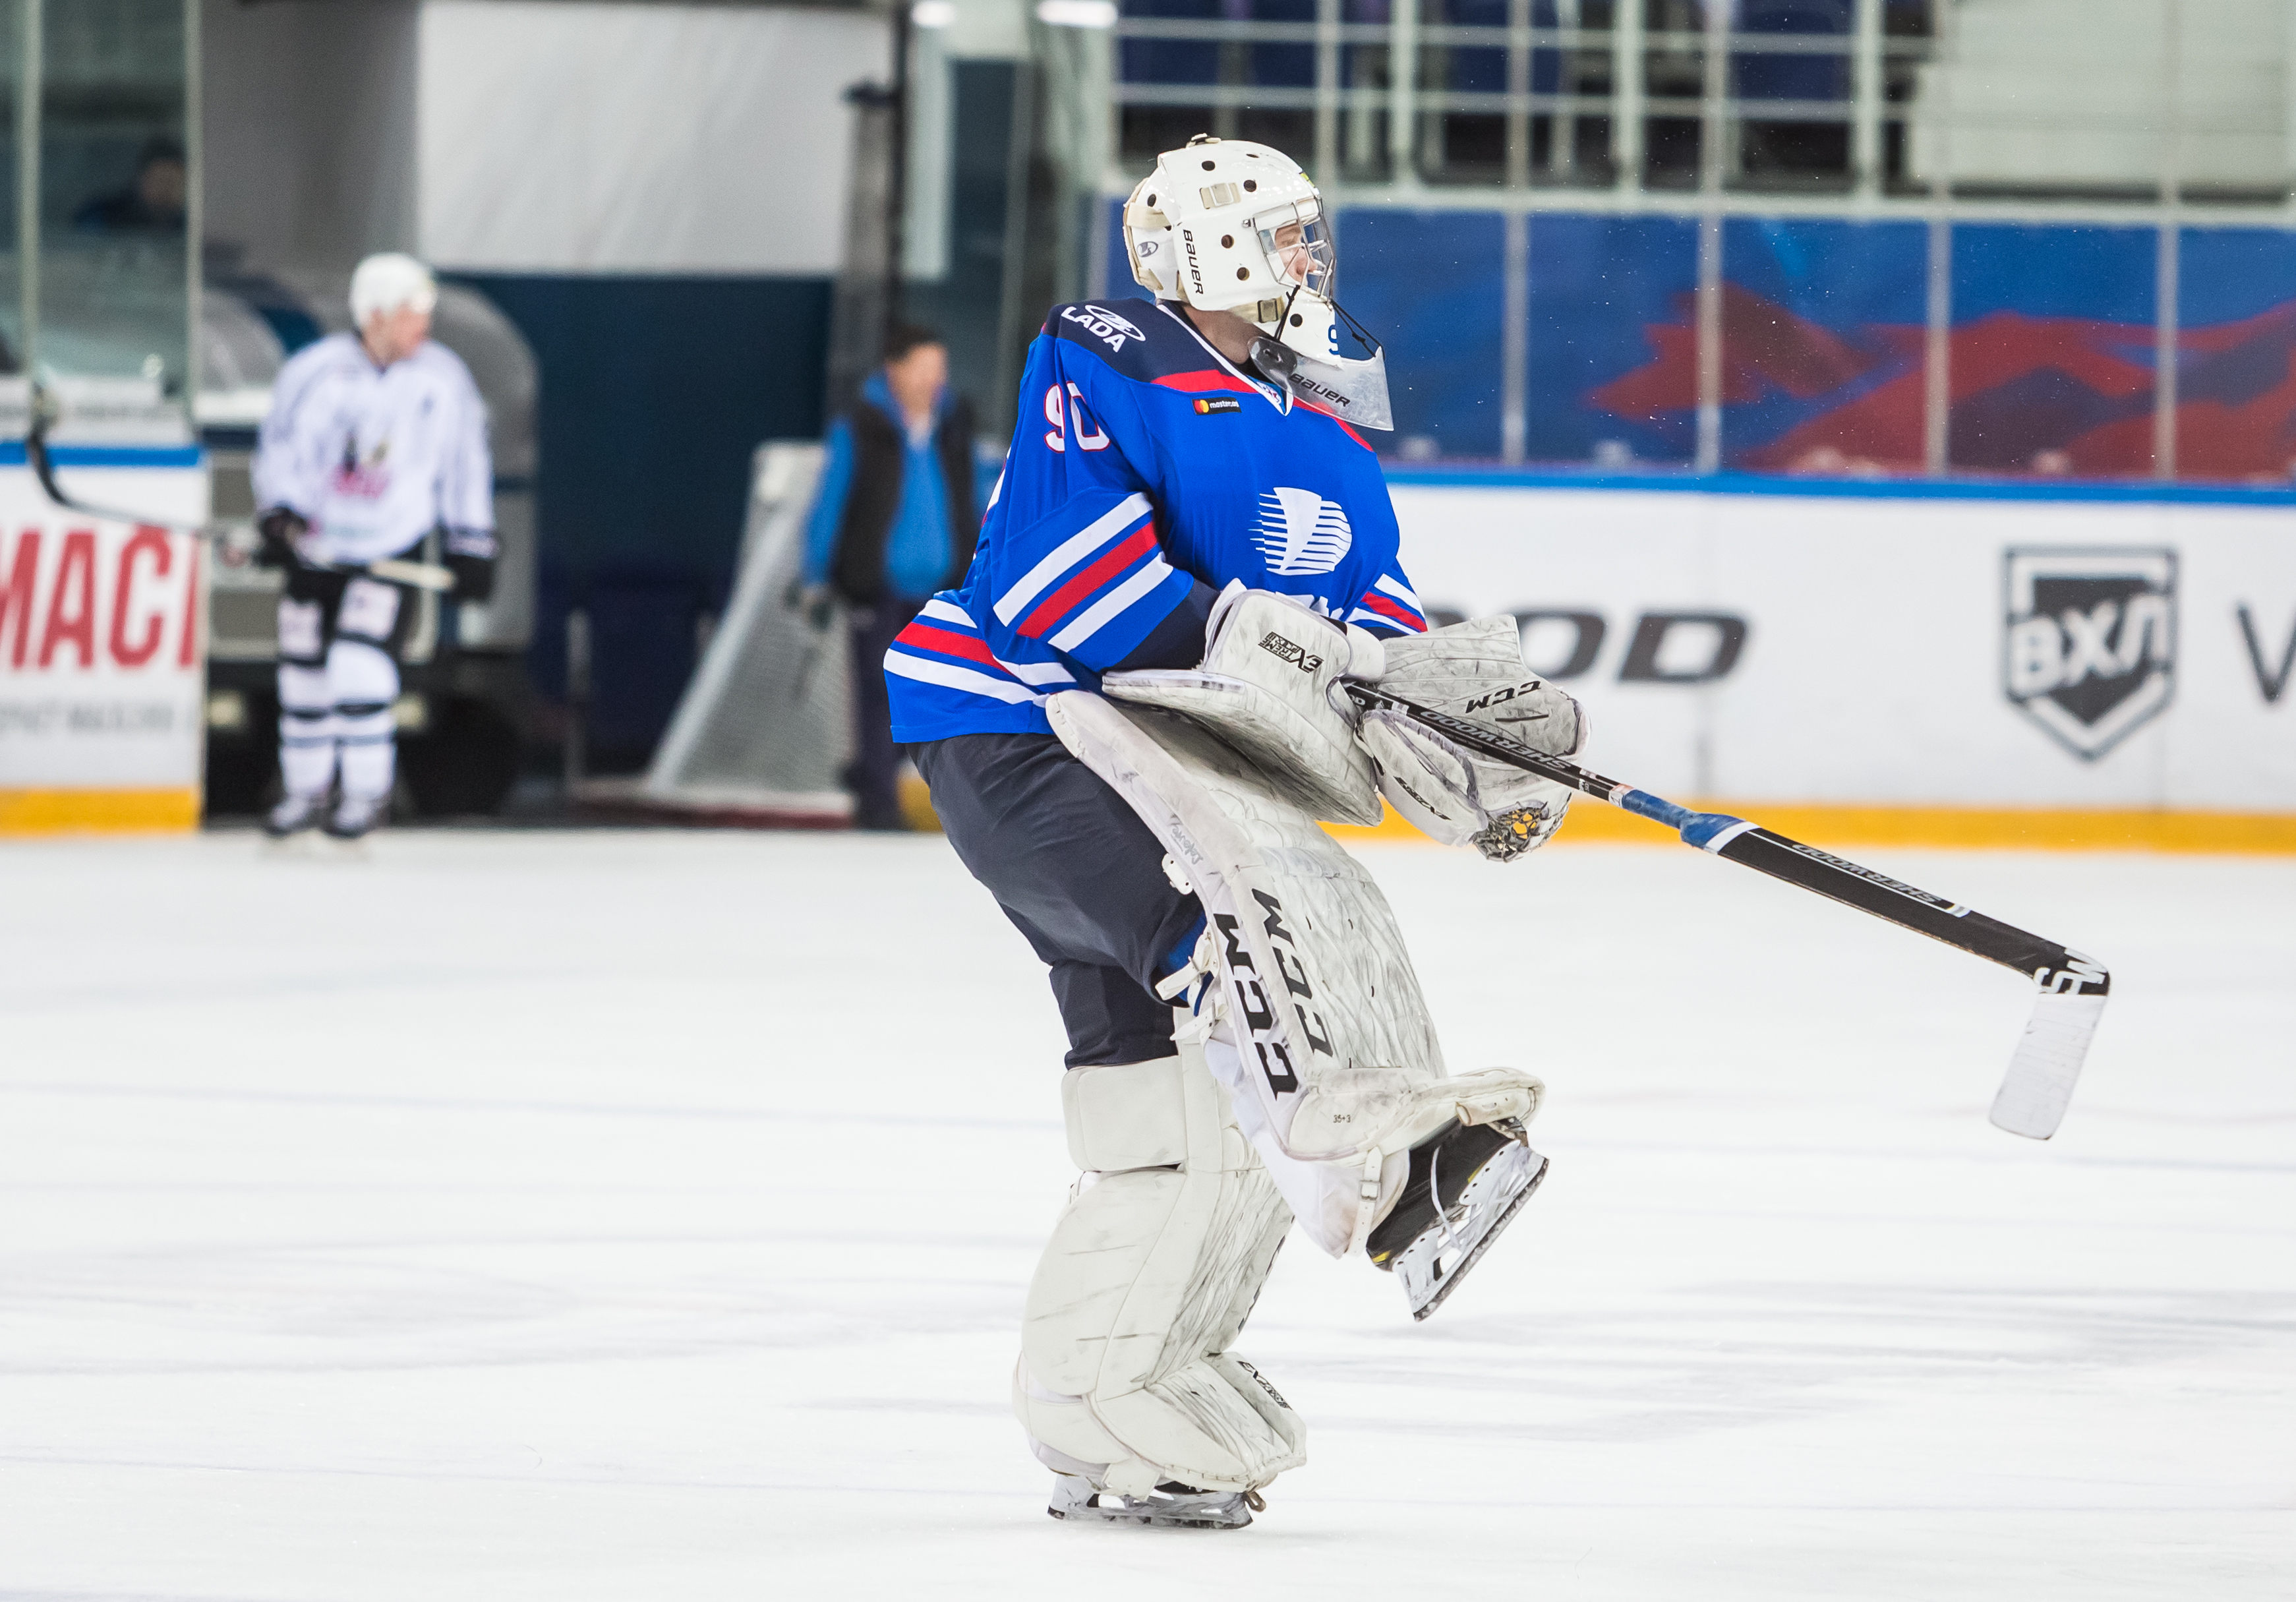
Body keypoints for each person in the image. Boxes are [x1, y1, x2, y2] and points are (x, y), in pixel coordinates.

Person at [890, 135, 1586, 1529]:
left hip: (1155, 760)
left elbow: (1361, 621)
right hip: (1019, 727)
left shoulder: (1322, 426)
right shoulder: (1111, 357)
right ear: (1200, 249)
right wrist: (1245, 631)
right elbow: (1054, 584)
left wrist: (1440, 717)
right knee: (1247, 945)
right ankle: (1399, 1173)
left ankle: (1114, 1385)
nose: (1309, 261)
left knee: (1176, 1104)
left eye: (1309, 234)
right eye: (1281, 236)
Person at [250, 252, 496, 841]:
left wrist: (472, 544)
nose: (424, 325)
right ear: (378, 316)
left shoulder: (443, 379)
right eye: (414, 313)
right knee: (304, 673)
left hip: (391, 548)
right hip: (320, 549)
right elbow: (283, 449)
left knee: (360, 667)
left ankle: (363, 795)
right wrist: (280, 517)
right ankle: (305, 792)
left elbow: (465, 466)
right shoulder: (314, 372)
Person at [800, 324, 978, 830]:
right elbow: (831, 500)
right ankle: (878, 801)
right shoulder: (860, 426)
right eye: (924, 368)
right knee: (877, 697)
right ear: (895, 369)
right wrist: (816, 572)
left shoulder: (952, 423)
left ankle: (948, 803)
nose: (934, 380)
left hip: (941, 585)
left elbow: (971, 495)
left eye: (939, 369)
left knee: (941, 694)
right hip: (875, 584)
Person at [73, 137, 187, 234]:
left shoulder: (190, 228)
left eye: (173, 183)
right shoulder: (103, 216)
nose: (165, 190)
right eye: (159, 181)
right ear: (141, 180)